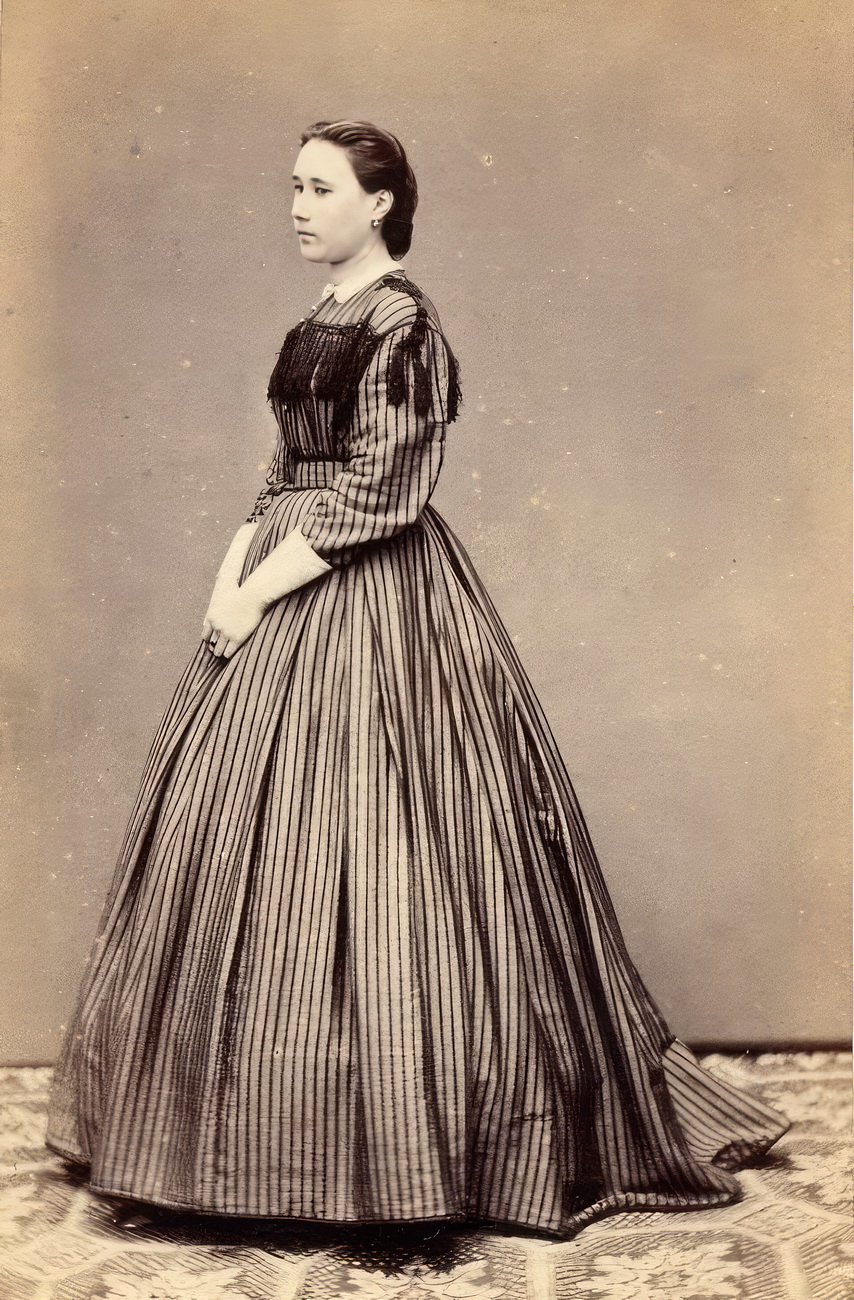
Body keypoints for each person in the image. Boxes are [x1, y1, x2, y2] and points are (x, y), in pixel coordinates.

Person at [45, 119, 790, 1240]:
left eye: (320, 188)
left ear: (381, 202)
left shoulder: (404, 323)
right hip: (283, 571)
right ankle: (236, 1147)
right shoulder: (315, 320)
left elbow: (383, 490)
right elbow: (280, 471)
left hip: (371, 592)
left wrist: (260, 588)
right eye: (293, 186)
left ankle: (403, 1151)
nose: (297, 207)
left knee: (395, 853)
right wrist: (226, 580)